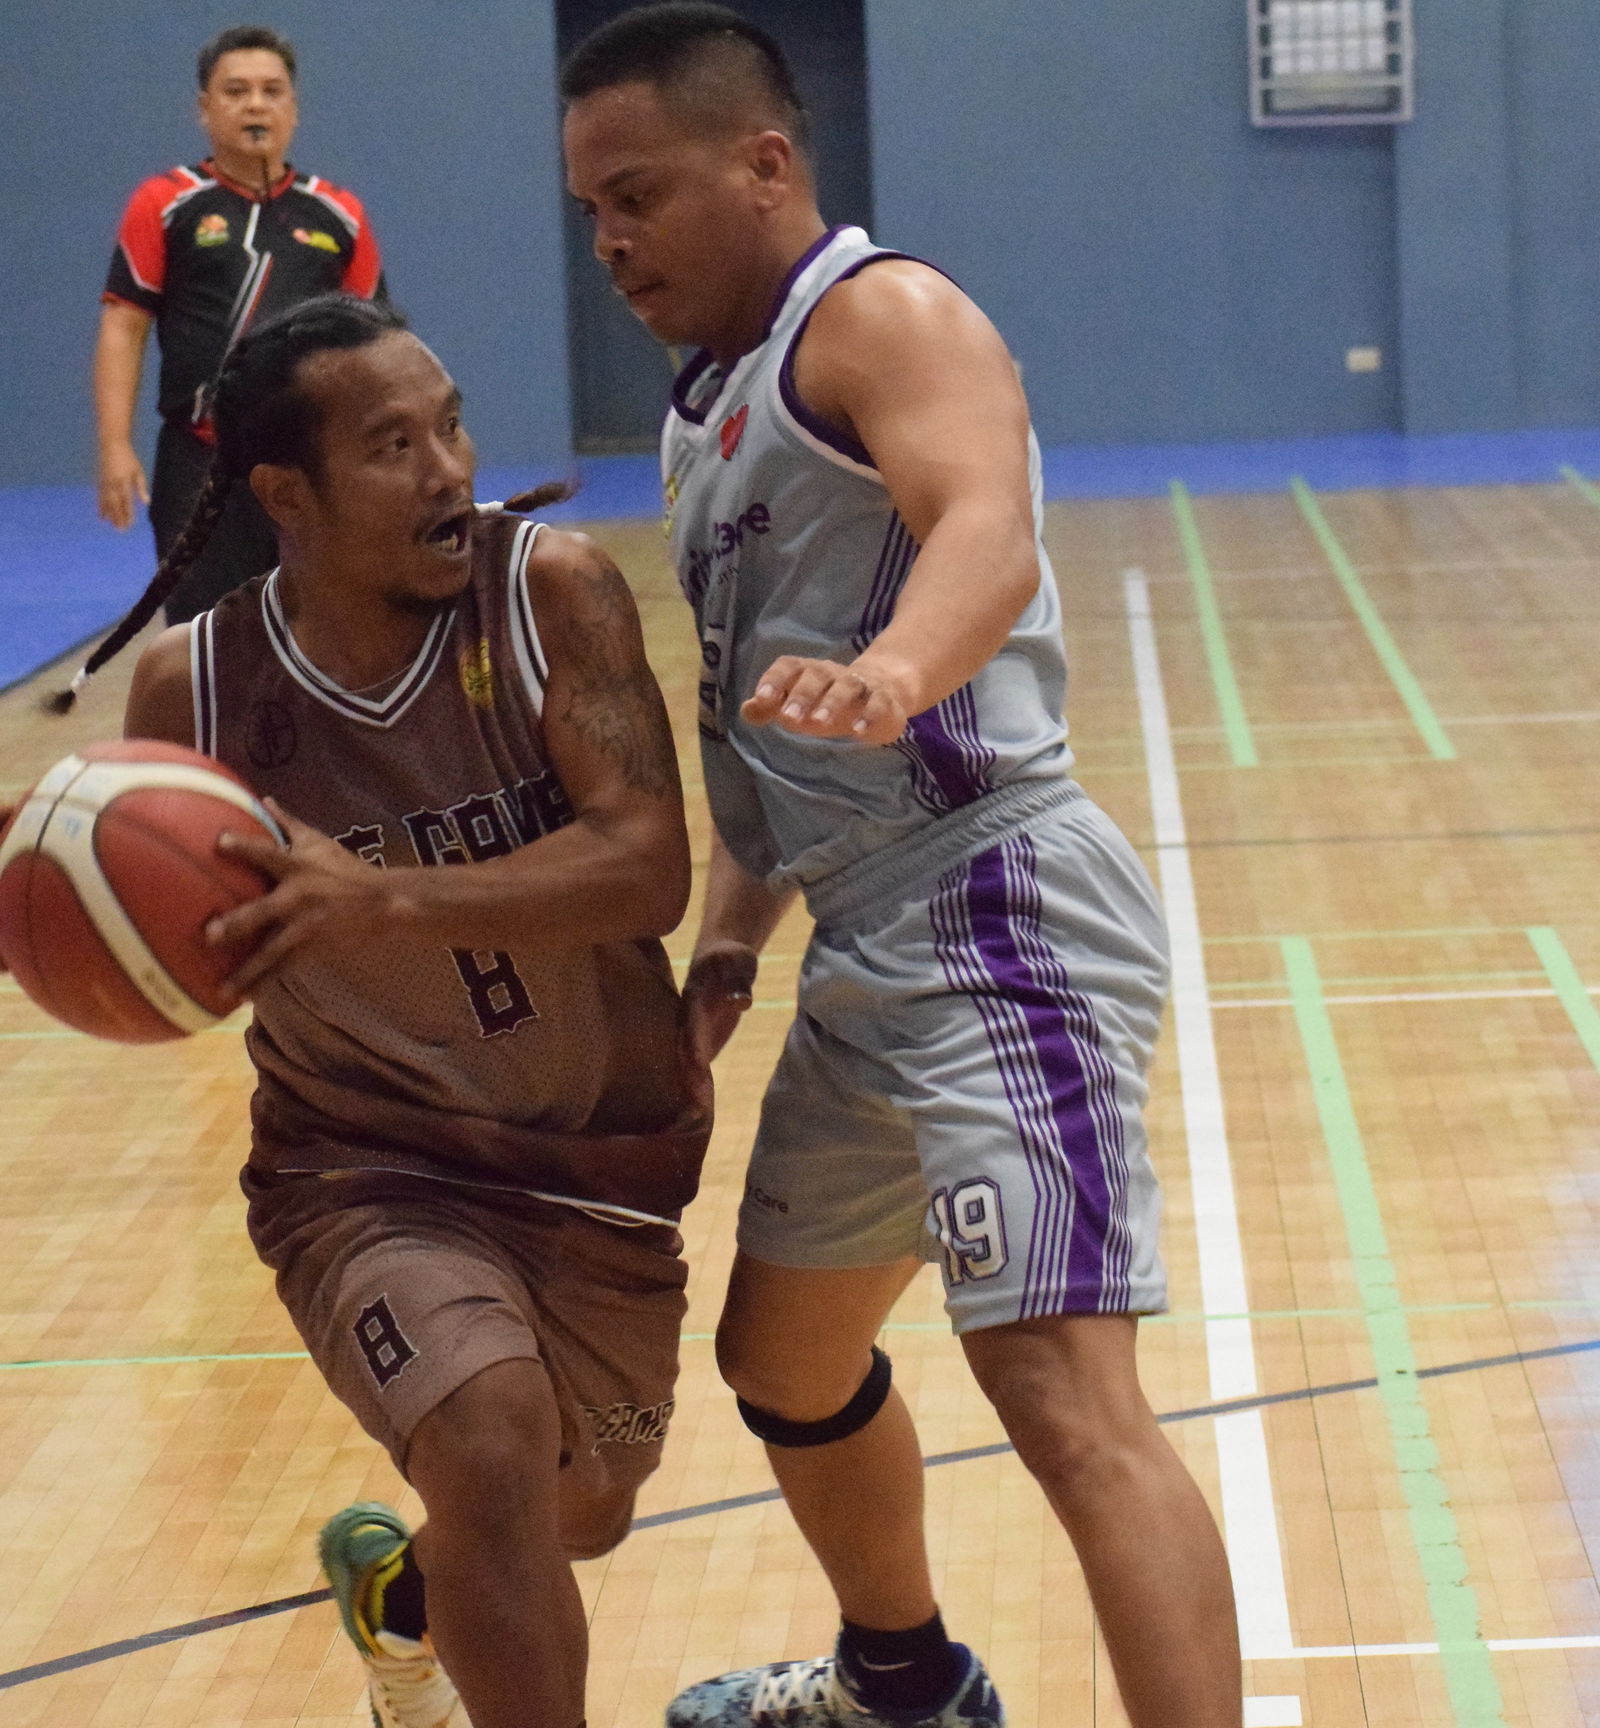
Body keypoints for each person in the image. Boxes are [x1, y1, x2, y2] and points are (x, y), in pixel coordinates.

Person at [562, 8, 1244, 1728]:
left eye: (636, 193)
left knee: (1057, 1383)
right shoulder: (702, 414)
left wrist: (901, 669)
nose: (610, 241)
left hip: (996, 899)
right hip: (860, 940)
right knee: (780, 1359)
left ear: (767, 162)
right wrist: (729, 935)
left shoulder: (886, 316)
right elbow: (752, 725)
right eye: (589, 210)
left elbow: (985, 530)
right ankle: (904, 1678)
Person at [57, 293, 709, 1728]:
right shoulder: (196, 686)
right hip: (364, 1165)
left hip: (600, 1157)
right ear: (286, 492)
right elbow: (167, 947)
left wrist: (387, 902)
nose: (449, 470)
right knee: (485, 1441)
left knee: (574, 1512)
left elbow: (646, 864)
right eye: (395, 445)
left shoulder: (552, 596)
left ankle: (407, 1598)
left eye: (452, 425)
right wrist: (98, 930)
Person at [95, 24, 387, 626]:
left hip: (310, 461)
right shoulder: (164, 202)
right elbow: (124, 328)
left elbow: (375, 348)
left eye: (271, 91)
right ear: (204, 109)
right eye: (236, 91)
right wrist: (114, 445)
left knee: (324, 634)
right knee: (206, 644)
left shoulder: (341, 213)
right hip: (198, 463)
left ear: (294, 109)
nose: (255, 104)